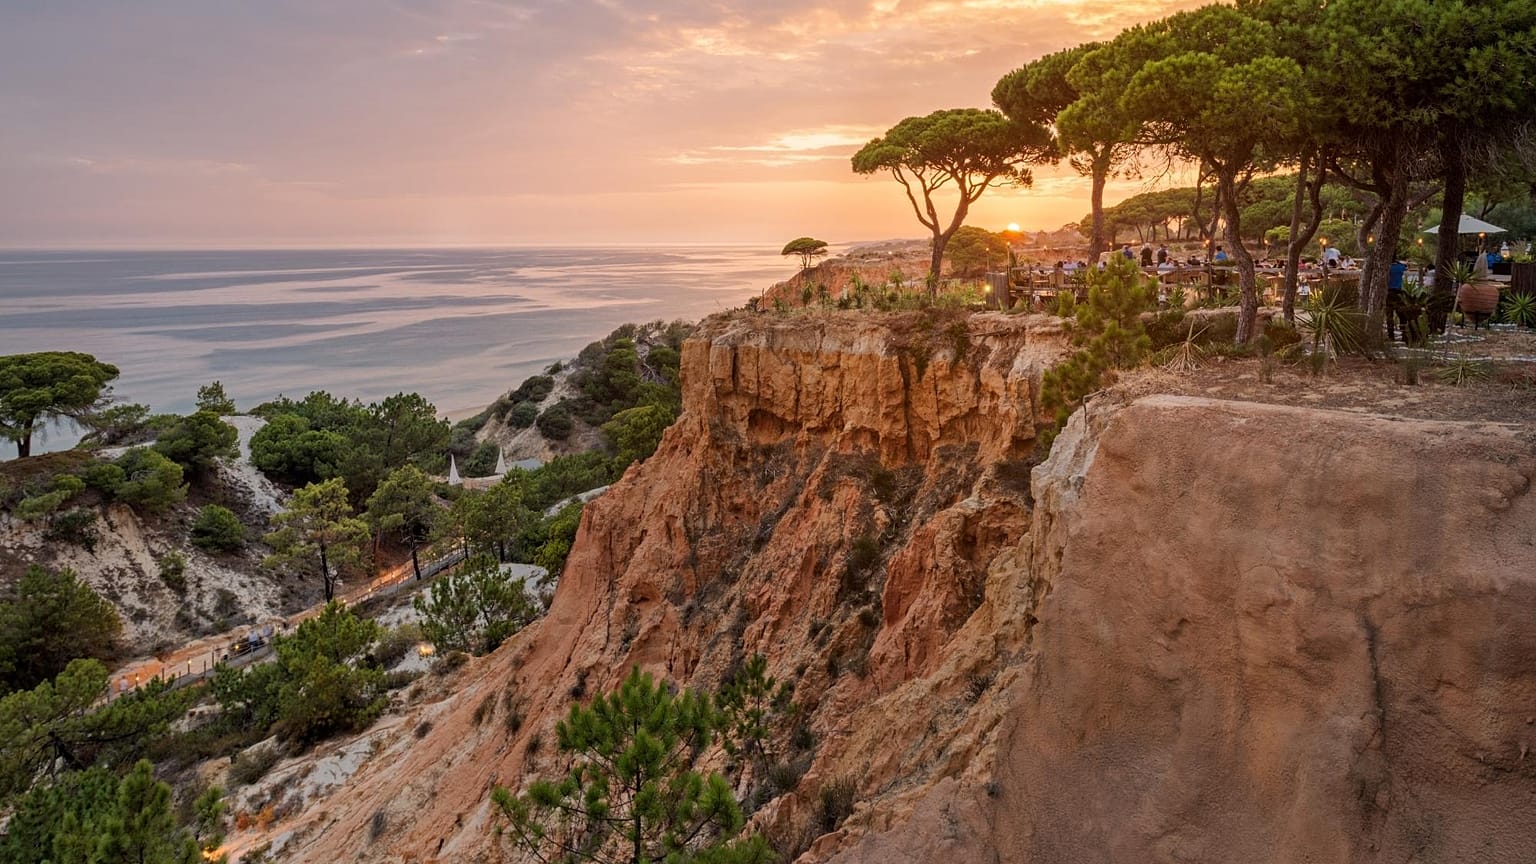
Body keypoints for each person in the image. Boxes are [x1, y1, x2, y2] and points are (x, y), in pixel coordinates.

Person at [1386, 255, 1409, 342]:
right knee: (1402, 314)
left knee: (1389, 315)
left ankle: (1391, 335)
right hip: (1398, 292)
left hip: (1388, 292)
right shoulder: (1400, 267)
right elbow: (1406, 266)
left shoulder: (1387, 268)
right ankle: (1404, 334)